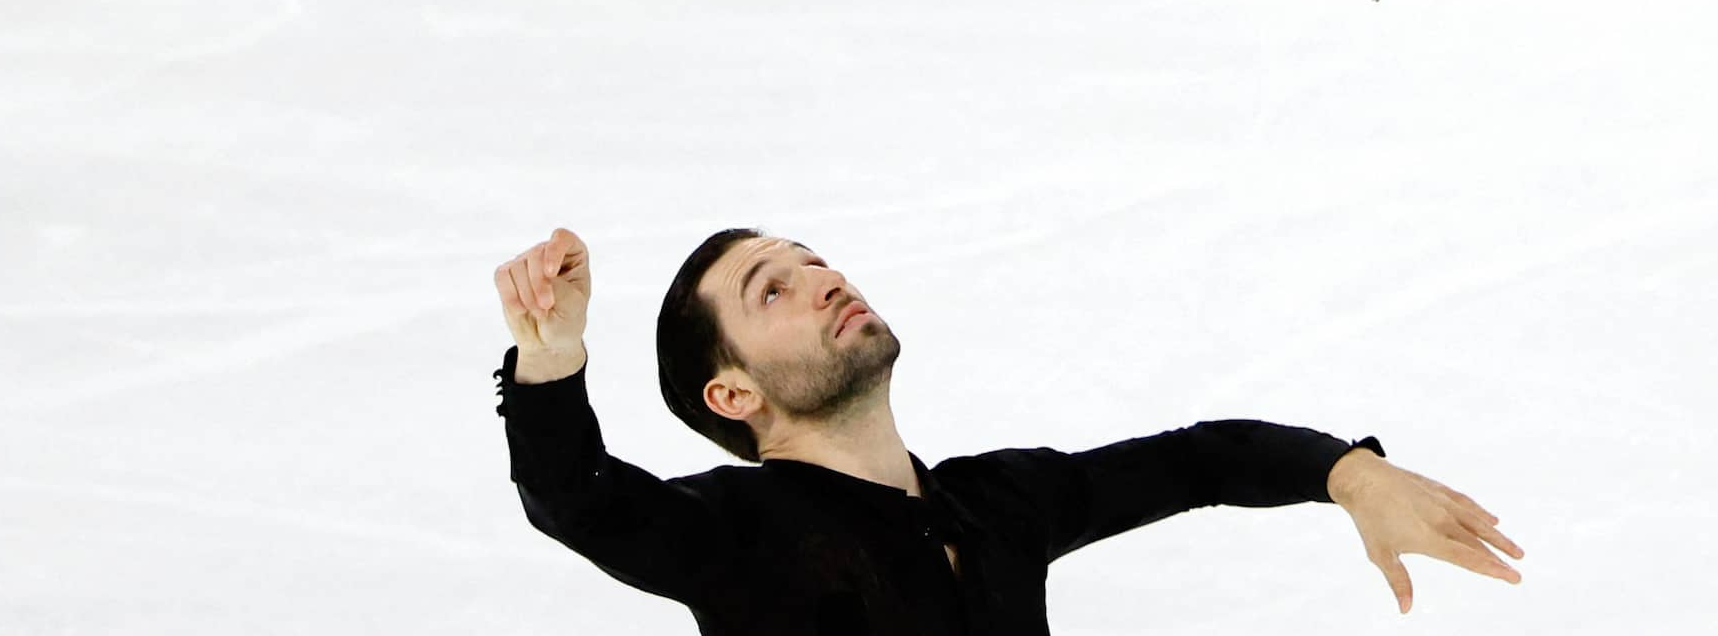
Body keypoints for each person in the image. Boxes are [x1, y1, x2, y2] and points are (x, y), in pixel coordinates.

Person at [491, 227, 1526, 631]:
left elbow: (1198, 458)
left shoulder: (997, 503)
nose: (824, 280)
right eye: (775, 290)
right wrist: (550, 355)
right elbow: (575, 496)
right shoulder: (733, 529)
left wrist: (1344, 471)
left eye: (814, 260)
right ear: (734, 394)